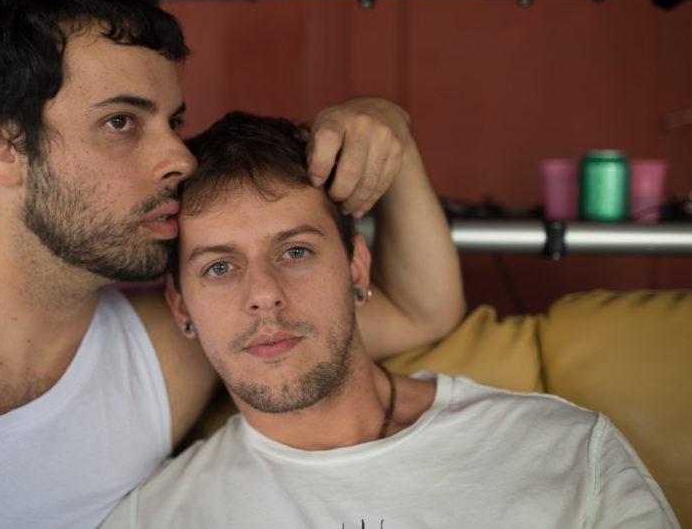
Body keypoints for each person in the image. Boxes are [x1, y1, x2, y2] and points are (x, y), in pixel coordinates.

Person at [0, 0, 464, 527]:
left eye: (173, 122)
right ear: (1, 147)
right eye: (122, 122)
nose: (180, 157)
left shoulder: (166, 352)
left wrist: (388, 126)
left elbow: (421, 308)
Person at [101, 111, 679, 529]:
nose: (264, 296)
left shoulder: (561, 448)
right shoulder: (156, 516)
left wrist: (389, 119)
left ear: (357, 267)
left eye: (295, 251)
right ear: (182, 306)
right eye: (220, 267)